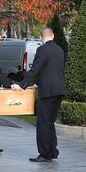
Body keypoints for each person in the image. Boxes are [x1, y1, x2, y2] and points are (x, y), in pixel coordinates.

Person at [20, 28, 66, 162]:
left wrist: (22, 84)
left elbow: (35, 70)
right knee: (50, 122)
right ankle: (52, 150)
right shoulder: (59, 50)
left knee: (43, 123)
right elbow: (52, 71)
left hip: (47, 92)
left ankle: (45, 153)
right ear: (53, 36)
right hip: (58, 90)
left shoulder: (42, 50)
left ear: (41, 37)